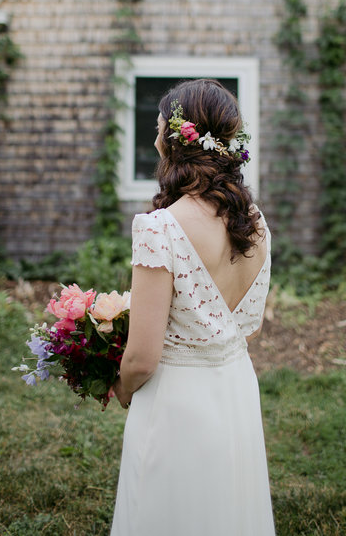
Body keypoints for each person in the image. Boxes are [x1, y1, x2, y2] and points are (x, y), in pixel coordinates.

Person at [109, 79, 274, 535]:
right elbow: (248, 327)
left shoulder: (159, 227)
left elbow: (142, 358)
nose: (154, 135)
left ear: (179, 138)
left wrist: (122, 388)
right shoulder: (255, 223)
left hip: (176, 402)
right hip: (234, 387)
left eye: (159, 125)